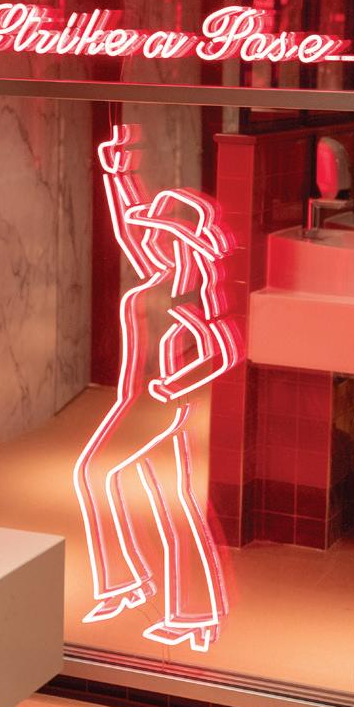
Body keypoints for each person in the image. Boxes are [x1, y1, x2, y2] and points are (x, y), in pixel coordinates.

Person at [73, 124, 240, 652]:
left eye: (163, 234)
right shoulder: (159, 274)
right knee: (173, 500)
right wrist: (117, 169)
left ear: (184, 243)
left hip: (159, 405)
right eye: (154, 233)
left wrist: (175, 384)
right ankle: (194, 612)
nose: (150, 239)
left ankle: (127, 582)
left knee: (95, 472)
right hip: (143, 399)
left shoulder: (191, 293)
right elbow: (127, 226)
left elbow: (224, 348)